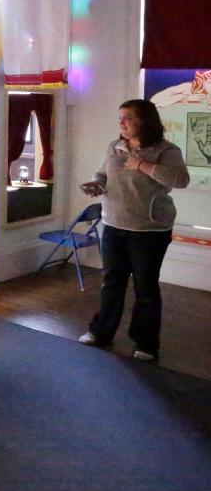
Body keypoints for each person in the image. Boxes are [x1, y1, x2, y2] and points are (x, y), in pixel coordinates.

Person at [78, 99, 189, 361]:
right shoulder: (114, 147)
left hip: (149, 230)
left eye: (128, 118)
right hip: (114, 225)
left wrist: (141, 164)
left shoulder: (166, 150)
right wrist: (95, 183)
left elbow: (180, 180)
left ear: (145, 120)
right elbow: (102, 174)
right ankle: (101, 332)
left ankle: (146, 344)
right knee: (111, 282)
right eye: (120, 118)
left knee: (145, 288)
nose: (122, 123)